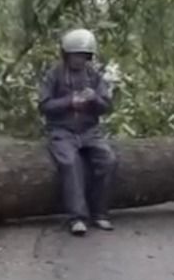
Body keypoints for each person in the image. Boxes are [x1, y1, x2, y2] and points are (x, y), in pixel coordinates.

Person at [38, 28, 118, 236]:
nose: (79, 60)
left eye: (83, 56)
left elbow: (106, 107)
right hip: (62, 130)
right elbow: (44, 105)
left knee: (107, 160)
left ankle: (100, 213)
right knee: (70, 163)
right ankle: (77, 217)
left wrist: (94, 99)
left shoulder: (94, 76)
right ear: (66, 55)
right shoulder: (54, 74)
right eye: (75, 55)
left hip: (89, 130)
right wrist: (69, 102)